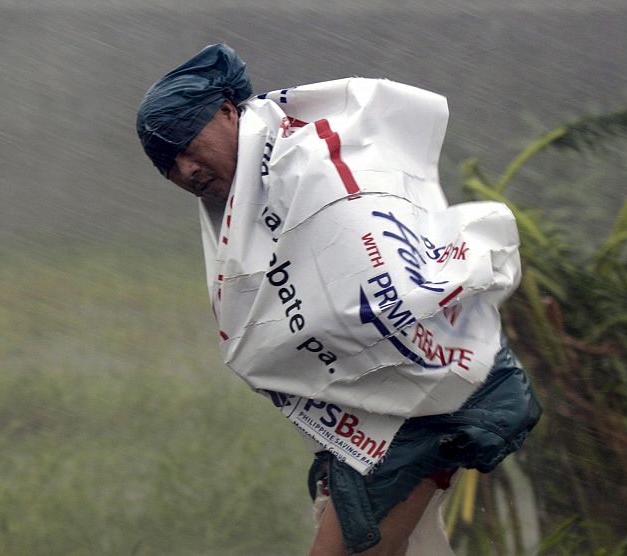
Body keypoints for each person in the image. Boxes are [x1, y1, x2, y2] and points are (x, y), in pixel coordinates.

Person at [137, 43, 542, 556]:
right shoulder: (251, 199)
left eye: (189, 144)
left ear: (227, 110)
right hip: (382, 422)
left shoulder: (308, 167)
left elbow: (385, 285)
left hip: (425, 413)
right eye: (168, 164)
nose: (187, 169)